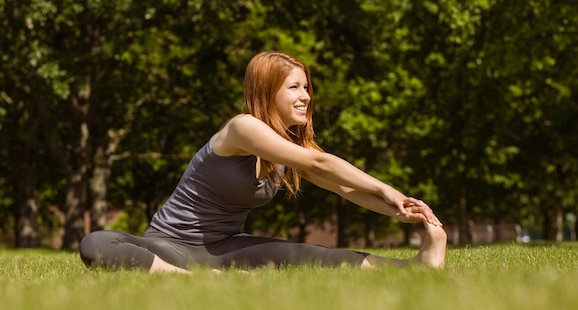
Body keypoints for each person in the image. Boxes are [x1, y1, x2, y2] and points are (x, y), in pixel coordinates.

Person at [79, 51, 447, 273]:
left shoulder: (287, 146)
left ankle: (418, 266)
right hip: (168, 247)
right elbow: (320, 166)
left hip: (225, 249)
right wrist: (387, 188)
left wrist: (400, 210)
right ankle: (181, 278)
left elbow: (342, 185)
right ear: (266, 92)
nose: (306, 97)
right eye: (294, 88)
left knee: (308, 254)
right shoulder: (243, 128)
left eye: (306, 87)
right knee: (96, 243)